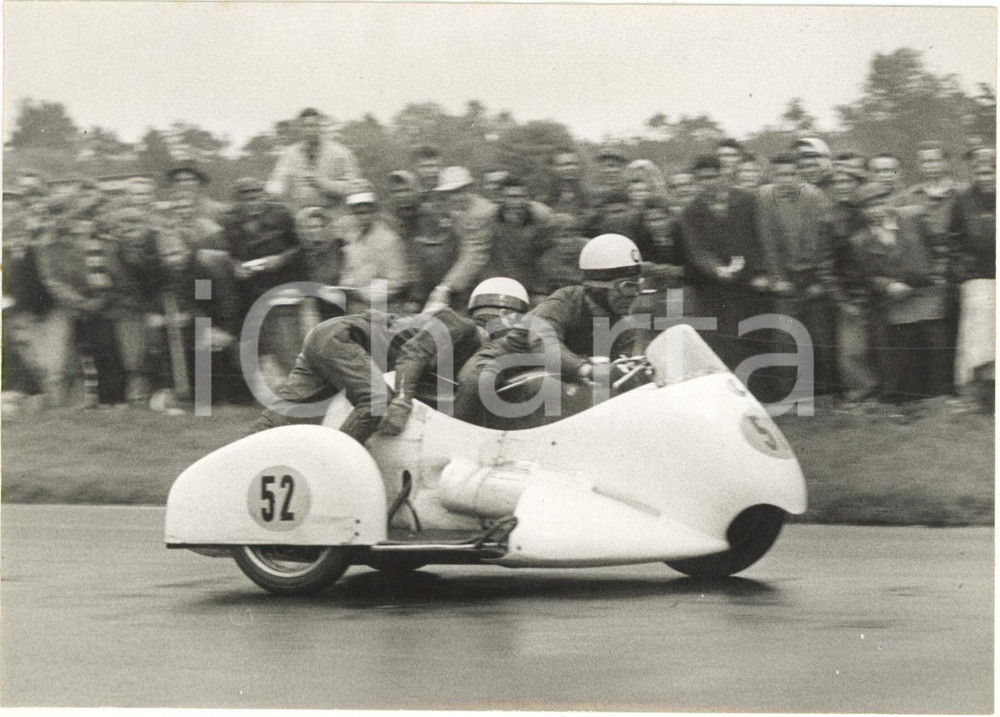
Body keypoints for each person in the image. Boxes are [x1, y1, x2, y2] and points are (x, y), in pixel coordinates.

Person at [251, 278, 530, 443]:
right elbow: (412, 353)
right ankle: (329, 476)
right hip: (341, 339)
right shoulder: (460, 325)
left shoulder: (464, 335)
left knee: (275, 422)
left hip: (331, 337)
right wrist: (402, 401)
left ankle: (224, 476)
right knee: (377, 403)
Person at [849, 183, 952, 403]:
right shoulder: (859, 241)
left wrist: (938, 274)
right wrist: (887, 285)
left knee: (937, 344)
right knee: (907, 349)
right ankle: (916, 399)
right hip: (897, 300)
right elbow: (867, 276)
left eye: (880, 202)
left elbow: (940, 246)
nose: (875, 210)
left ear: (889, 201)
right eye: (868, 206)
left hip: (928, 293)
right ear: (861, 211)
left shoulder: (914, 216)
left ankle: (941, 395)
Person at [756, 152, 838, 400]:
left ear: (799, 175)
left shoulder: (815, 197)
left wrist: (820, 281)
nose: (785, 180)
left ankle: (828, 391)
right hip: (785, 276)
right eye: (780, 174)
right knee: (785, 337)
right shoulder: (765, 198)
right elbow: (767, 241)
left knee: (821, 335)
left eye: (791, 174)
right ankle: (788, 393)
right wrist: (778, 278)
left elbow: (826, 241)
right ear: (772, 175)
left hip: (812, 275)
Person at [676, 155, 769, 370]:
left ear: (722, 175)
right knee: (722, 341)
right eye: (702, 179)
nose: (707, 183)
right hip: (713, 289)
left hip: (750, 284)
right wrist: (717, 269)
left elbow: (761, 237)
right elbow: (696, 250)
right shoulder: (690, 212)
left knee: (755, 336)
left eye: (712, 177)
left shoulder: (747, 200)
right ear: (696, 180)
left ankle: (762, 394)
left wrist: (762, 272)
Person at [223, 177, 303, 376]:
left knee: (286, 343)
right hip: (248, 291)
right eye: (246, 198)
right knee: (256, 346)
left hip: (281, 286)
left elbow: (301, 247)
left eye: (256, 196)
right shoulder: (231, 221)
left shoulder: (282, 215)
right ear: (238, 201)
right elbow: (228, 253)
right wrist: (235, 266)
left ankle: (300, 389)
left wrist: (281, 259)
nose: (252, 202)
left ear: (264, 196)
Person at [820, 164, 880, 404]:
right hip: (850, 294)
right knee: (851, 351)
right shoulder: (827, 219)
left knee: (878, 345)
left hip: (877, 289)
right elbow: (826, 265)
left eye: (848, 181)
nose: (843, 186)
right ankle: (859, 394)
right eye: (838, 182)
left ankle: (882, 393)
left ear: (857, 184)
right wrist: (842, 301)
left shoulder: (868, 211)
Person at [949, 148, 996, 402]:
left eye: (991, 170)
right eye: (980, 171)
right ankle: (982, 390)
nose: (986, 176)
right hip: (977, 279)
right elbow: (953, 239)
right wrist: (963, 269)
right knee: (979, 337)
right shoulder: (963, 201)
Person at [422, 166, 496, 312]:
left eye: (459, 191)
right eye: (450, 193)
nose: (455, 197)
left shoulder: (482, 212)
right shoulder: (458, 210)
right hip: (471, 281)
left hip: (493, 278)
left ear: (470, 189)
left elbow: (473, 255)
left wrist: (445, 287)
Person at [265, 107, 360, 212]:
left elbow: (354, 188)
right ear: (299, 129)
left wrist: (323, 183)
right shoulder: (289, 154)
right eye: (305, 126)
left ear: (321, 127)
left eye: (314, 126)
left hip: (333, 215)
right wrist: (271, 192)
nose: (310, 130)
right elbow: (279, 181)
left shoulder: (341, 153)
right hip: (300, 216)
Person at [335, 190, 410, 313]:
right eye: (357, 213)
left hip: (383, 308)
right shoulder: (351, 239)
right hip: (356, 308)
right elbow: (347, 271)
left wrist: (364, 293)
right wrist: (347, 286)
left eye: (366, 212)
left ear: (374, 212)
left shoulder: (389, 240)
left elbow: (397, 281)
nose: (362, 217)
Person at [485, 175, 556, 303]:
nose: (517, 202)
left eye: (521, 196)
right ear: (502, 198)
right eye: (511, 197)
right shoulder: (491, 219)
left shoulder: (539, 217)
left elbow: (546, 257)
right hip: (504, 285)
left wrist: (541, 290)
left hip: (534, 286)